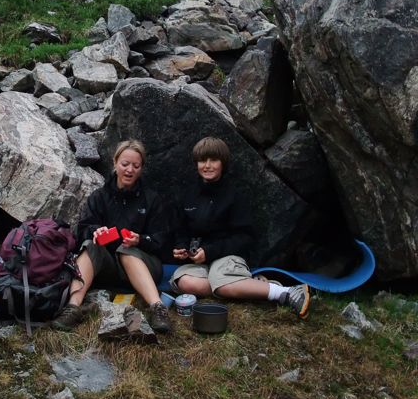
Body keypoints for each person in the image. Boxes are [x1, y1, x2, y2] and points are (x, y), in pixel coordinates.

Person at [171, 137, 311, 319]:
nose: (207, 165)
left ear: (223, 163)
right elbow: (181, 230)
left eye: (213, 160)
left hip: (227, 255)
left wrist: (211, 251)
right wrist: (181, 247)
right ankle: (250, 286)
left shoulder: (235, 195)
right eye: (202, 160)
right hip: (198, 260)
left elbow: (245, 237)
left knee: (220, 284)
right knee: (187, 284)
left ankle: (286, 292)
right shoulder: (188, 194)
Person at [52, 140, 172, 333]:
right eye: (125, 164)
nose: (130, 170)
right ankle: (73, 307)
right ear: (115, 163)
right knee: (90, 245)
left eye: (136, 166)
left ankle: (158, 308)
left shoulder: (152, 199)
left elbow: (162, 241)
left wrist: (140, 240)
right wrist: (95, 232)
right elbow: (81, 231)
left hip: (144, 265)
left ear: (141, 168)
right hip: (108, 266)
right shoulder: (99, 197)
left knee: (126, 249)